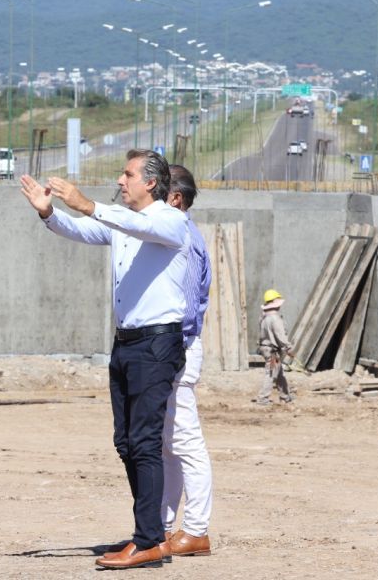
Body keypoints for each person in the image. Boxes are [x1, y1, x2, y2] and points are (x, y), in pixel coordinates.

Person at [20, 149, 189, 570]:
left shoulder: (170, 220)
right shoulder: (121, 223)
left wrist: (87, 203)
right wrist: (49, 214)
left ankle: (149, 539)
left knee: (146, 442)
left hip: (157, 344)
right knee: (127, 442)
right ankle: (150, 531)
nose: (120, 179)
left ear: (151, 182)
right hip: (127, 344)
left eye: (127, 174)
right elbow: (84, 229)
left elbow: (127, 220)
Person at [160, 164, 214, 557]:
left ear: (175, 199)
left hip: (179, 348)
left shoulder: (185, 240)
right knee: (168, 445)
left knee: (185, 441)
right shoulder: (174, 236)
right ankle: (164, 527)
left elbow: (190, 307)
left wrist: (171, 348)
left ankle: (195, 529)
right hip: (174, 349)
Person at [257, 289, 295, 405]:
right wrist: (288, 347)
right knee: (270, 373)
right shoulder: (275, 319)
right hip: (272, 351)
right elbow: (280, 336)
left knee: (279, 373)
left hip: (266, 349)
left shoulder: (263, 318)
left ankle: (285, 396)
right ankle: (262, 398)